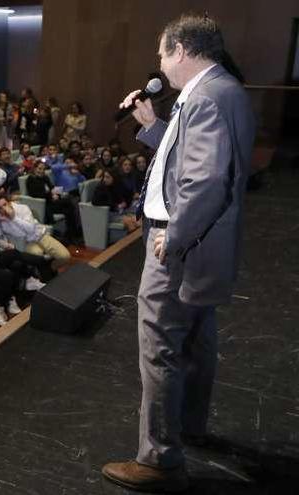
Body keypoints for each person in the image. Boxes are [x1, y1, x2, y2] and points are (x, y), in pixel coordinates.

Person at [102, 14, 256, 491]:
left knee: (161, 346)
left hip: (181, 243)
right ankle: (188, 426)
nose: (160, 62)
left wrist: (176, 234)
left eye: (162, 53)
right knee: (194, 341)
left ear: (182, 50)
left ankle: (159, 460)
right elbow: (187, 157)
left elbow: (205, 180)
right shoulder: (221, 90)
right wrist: (152, 126)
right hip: (202, 244)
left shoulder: (206, 99)